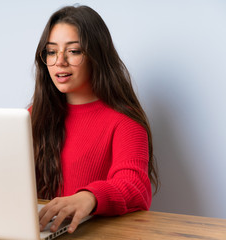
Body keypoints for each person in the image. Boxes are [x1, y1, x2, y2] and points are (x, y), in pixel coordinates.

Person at [29, 5, 159, 234]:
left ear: (96, 55)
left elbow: (135, 187)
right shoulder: (32, 115)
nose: (60, 61)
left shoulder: (125, 121)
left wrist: (89, 197)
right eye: (51, 52)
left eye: (74, 51)